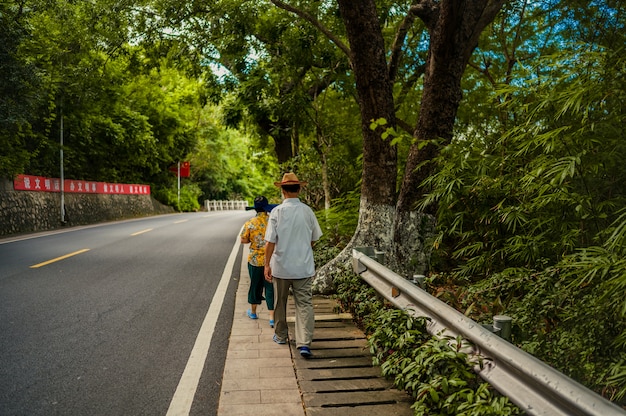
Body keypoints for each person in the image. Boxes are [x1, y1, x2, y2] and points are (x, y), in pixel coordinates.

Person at [264, 173, 323, 358]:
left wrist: (267, 264)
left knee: (280, 302)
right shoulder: (308, 212)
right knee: (304, 304)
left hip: (281, 267)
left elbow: (270, 242)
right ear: (299, 189)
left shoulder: (277, 212)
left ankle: (281, 336)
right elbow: (314, 239)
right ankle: (304, 343)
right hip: (303, 267)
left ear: (282, 190)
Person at [240, 196, 277, 327]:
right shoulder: (273, 221)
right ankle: (272, 317)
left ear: (255, 209)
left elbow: (243, 240)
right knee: (270, 288)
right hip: (271, 259)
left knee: (255, 286)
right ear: (266, 208)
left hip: (255, 260)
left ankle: (254, 312)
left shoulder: (250, 222)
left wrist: (254, 240)